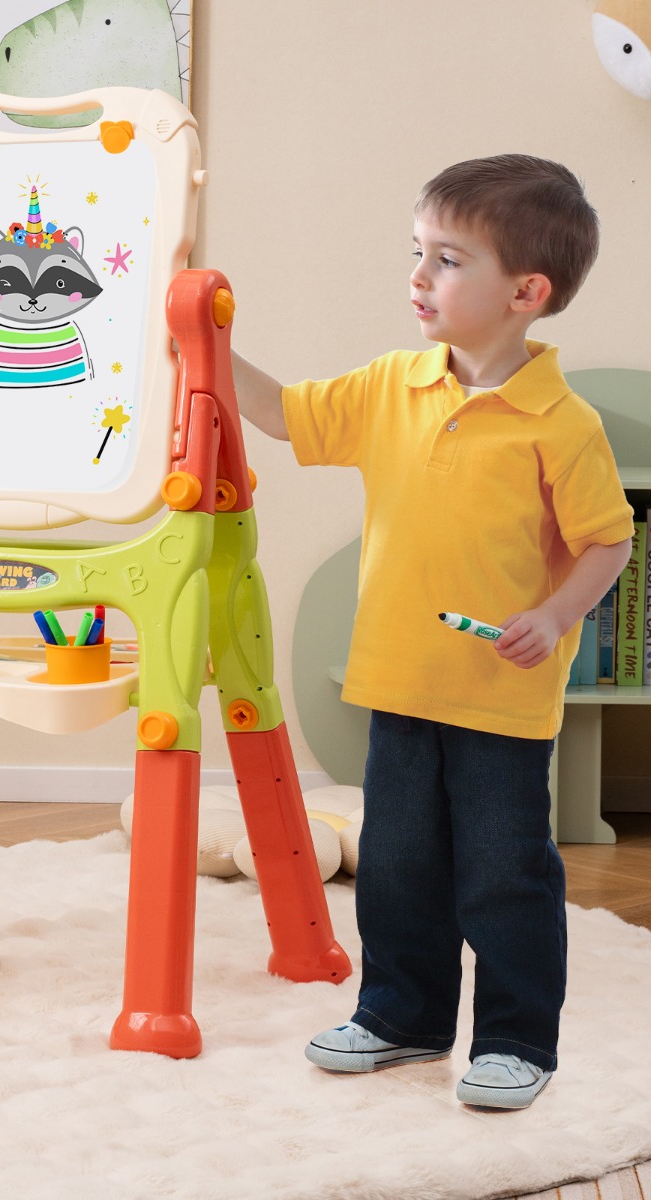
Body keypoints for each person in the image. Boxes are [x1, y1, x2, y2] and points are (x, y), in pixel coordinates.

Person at [234, 155, 633, 1110]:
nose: (419, 276)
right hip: (398, 679)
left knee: (503, 874)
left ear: (525, 293)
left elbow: (607, 541)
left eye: (448, 260)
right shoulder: (389, 387)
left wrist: (555, 611)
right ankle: (401, 1019)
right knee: (401, 866)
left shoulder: (562, 425)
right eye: (417, 252)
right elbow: (287, 418)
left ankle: (514, 1038)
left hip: (500, 694)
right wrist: (202, 344)